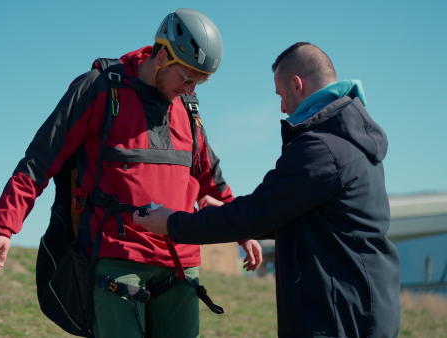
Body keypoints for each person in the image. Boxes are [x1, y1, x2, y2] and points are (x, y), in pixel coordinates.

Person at [0, 8, 262, 338]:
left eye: (199, 82)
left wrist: (242, 229)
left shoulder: (187, 108)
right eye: (187, 78)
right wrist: (4, 225)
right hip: (118, 259)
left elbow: (210, 179)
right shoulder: (100, 88)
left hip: (182, 262)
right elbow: (41, 158)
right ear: (162, 56)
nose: (190, 90)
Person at [134, 42, 402, 337]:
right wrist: (226, 212)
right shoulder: (345, 138)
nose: (282, 108)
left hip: (339, 315)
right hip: (354, 306)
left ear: (297, 85)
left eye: (281, 95)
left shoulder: (322, 148)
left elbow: (256, 213)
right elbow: (284, 210)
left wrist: (172, 224)